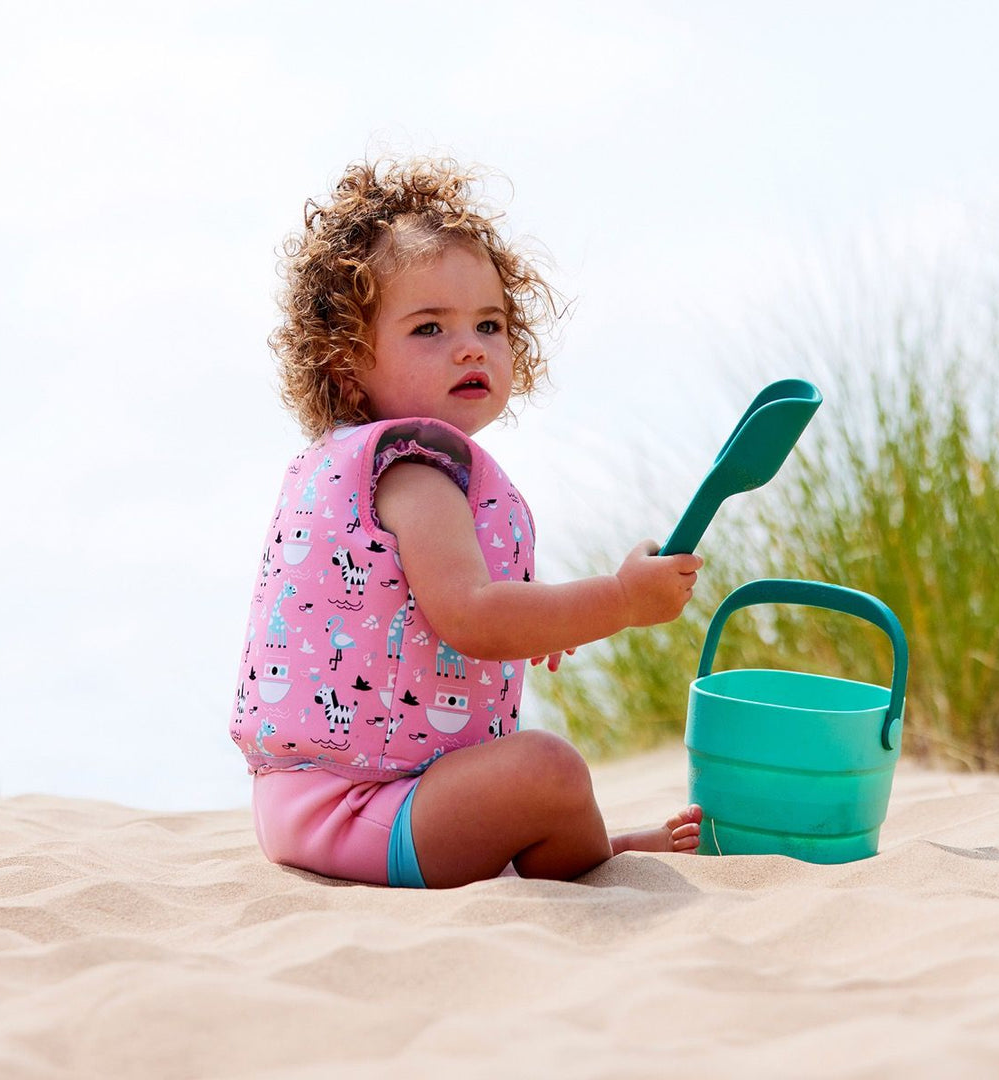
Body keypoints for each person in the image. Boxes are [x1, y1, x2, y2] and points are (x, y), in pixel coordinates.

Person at [230, 157, 704, 889]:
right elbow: (474, 618)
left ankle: (582, 842)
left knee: (536, 775)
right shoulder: (415, 473)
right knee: (547, 769)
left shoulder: (365, 467)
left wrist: (543, 615)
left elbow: (416, 604)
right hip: (361, 806)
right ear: (347, 364)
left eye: (490, 322)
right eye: (429, 328)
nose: (471, 345)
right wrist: (618, 601)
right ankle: (593, 852)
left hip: (311, 797)